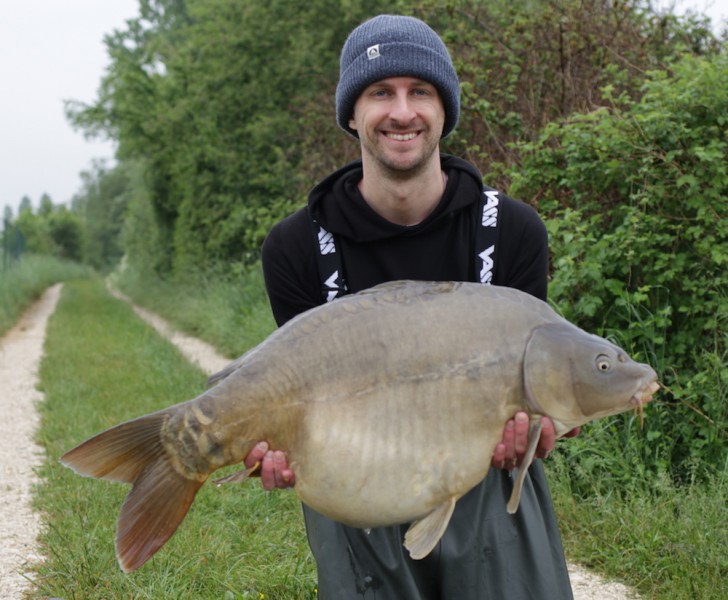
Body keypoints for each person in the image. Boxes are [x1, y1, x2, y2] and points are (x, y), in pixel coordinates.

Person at [248, 14, 576, 599]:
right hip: (356, 478)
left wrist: (546, 424)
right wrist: (271, 446)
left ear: (445, 108)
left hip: (487, 480)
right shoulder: (295, 248)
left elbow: (539, 391)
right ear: (352, 114)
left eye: (420, 91)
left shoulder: (514, 232)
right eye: (380, 93)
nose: (402, 111)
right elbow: (291, 403)